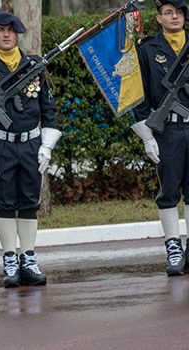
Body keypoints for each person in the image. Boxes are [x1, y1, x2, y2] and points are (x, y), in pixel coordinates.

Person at [0, 11, 62, 288]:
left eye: (10, 31)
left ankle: (28, 258)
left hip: (30, 144)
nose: (5, 35)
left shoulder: (34, 66)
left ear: (17, 34)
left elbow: (49, 111)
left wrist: (46, 146)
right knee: (5, 203)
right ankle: (10, 259)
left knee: (29, 203)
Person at [131, 0, 189, 276]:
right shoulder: (147, 51)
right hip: (167, 130)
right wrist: (146, 136)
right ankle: (173, 246)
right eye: (168, 12)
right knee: (168, 191)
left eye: (178, 12)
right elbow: (138, 97)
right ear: (159, 19)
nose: (174, 16)